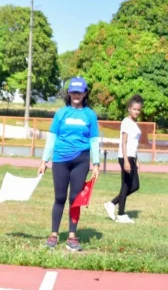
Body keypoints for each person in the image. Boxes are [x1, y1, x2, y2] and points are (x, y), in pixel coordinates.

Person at [38, 77, 101, 252]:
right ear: (69, 93)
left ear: (85, 93)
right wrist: (44, 161)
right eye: (73, 92)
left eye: (79, 92)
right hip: (60, 160)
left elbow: (94, 140)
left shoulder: (90, 115)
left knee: (75, 199)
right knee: (59, 198)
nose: (76, 95)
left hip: (81, 160)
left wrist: (96, 164)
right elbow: (51, 138)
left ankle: (72, 237)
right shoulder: (61, 113)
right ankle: (54, 235)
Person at [105, 94, 143, 224]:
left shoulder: (134, 123)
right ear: (129, 109)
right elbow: (124, 143)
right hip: (125, 157)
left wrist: (136, 159)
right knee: (126, 186)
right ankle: (121, 214)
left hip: (132, 157)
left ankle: (112, 203)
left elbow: (133, 144)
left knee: (135, 186)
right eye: (134, 109)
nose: (136, 111)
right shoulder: (126, 122)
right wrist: (126, 161)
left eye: (138, 109)